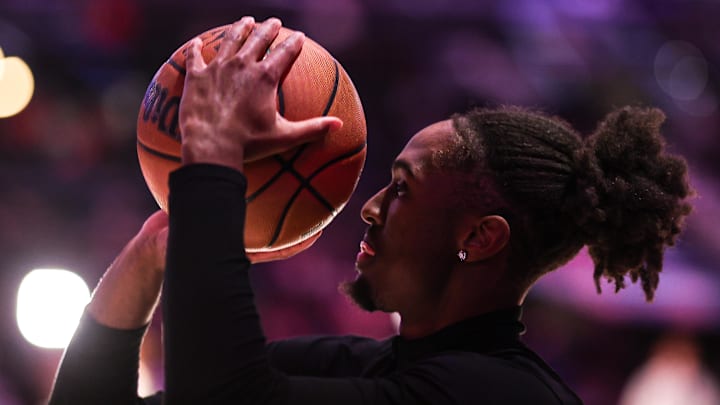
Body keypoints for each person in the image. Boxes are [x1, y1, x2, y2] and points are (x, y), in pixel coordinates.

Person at [48, 17, 693, 404]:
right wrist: (160, 244)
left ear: (480, 237)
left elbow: (227, 396)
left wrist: (214, 154)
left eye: (404, 187)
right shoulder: (362, 364)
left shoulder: (503, 394)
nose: (372, 208)